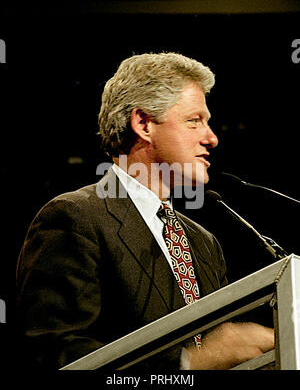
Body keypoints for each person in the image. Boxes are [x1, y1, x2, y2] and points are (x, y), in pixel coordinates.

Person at [16, 52, 274, 370]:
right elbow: (53, 355)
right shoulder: (73, 218)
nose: (212, 138)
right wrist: (190, 361)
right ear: (143, 123)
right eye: (194, 121)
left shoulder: (204, 241)